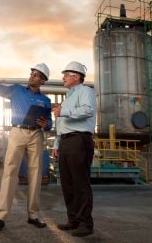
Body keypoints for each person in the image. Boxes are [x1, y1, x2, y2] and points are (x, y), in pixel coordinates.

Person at [0, 51, 52, 231]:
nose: (32, 76)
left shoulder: (46, 100)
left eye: (36, 75)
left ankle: (33, 215)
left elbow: (50, 124)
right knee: (9, 173)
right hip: (17, 132)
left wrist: (46, 124)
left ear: (42, 81)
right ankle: (1, 216)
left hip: (36, 135)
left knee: (35, 175)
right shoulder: (16, 90)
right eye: (31, 73)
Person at [51, 61, 96, 237]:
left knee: (80, 183)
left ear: (76, 76)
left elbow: (88, 110)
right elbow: (62, 124)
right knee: (68, 184)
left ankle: (85, 224)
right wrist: (56, 144)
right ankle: (73, 220)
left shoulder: (86, 92)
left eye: (66, 74)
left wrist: (64, 110)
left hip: (80, 140)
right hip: (66, 142)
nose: (63, 77)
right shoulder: (68, 97)